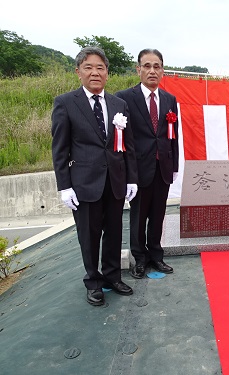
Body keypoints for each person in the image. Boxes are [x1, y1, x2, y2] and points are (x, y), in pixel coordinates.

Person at [52, 47, 138, 306]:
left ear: (107, 74)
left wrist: (131, 178)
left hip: (114, 182)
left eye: (100, 68)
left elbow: (128, 146)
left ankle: (112, 276)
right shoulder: (66, 103)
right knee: (88, 236)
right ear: (78, 72)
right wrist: (64, 186)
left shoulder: (118, 104)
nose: (95, 72)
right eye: (88, 67)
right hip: (84, 184)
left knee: (113, 232)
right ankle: (93, 281)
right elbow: (60, 148)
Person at [116, 49, 179, 279]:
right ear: (138, 69)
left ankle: (156, 256)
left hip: (162, 168)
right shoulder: (123, 98)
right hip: (137, 170)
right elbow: (121, 139)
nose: (152, 70)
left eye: (157, 66)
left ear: (162, 70)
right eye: (147, 66)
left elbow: (173, 136)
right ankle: (139, 259)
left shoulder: (169, 99)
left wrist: (174, 166)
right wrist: (125, 172)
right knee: (138, 216)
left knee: (158, 214)